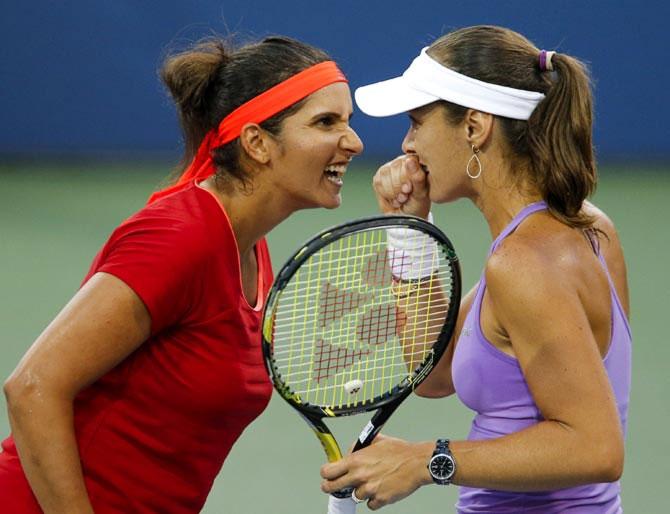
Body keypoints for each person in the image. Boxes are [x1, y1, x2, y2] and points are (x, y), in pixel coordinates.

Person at [0, 35, 362, 513]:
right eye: (325, 122)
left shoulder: (249, 246)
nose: (353, 142)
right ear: (257, 142)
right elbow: (32, 387)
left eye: (348, 122)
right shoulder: (180, 238)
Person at [321, 25, 631, 513]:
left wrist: (427, 461)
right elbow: (435, 374)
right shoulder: (584, 228)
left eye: (417, 122)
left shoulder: (525, 262)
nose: (406, 144)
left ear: (474, 127)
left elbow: (596, 448)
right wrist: (408, 229)